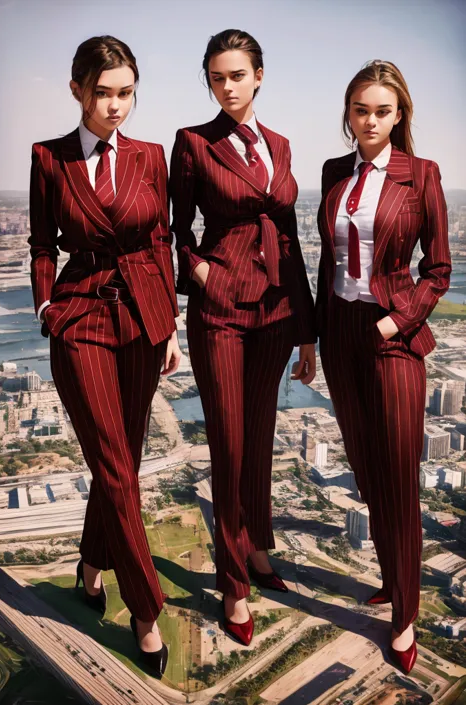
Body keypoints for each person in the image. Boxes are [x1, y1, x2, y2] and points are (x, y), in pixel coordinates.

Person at [28, 35, 181, 677]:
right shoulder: (48, 157)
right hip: (82, 315)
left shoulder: (151, 155)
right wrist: (43, 308)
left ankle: (89, 573)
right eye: (103, 93)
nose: (116, 106)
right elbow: (41, 241)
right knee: (118, 468)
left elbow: (162, 237)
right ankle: (145, 610)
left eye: (126, 94)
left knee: (120, 461)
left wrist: (170, 321)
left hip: (144, 319)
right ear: (77, 91)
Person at [170, 29, 316, 646]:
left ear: (259, 75)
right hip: (221, 313)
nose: (226, 87)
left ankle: (257, 550)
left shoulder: (280, 145)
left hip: (277, 313)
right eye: (215, 77)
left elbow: (289, 236)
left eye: (236, 75)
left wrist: (307, 332)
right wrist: (204, 275)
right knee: (229, 445)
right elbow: (174, 232)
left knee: (261, 440)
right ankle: (233, 586)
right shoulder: (193, 143)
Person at [316, 59, 451, 674]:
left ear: (400, 116)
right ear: (348, 113)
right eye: (360, 110)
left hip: (393, 335)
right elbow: (326, 263)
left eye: (381, 111)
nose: (369, 121)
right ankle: (394, 580)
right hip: (340, 334)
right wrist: (312, 340)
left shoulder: (421, 175)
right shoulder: (332, 173)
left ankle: (404, 616)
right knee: (368, 473)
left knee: (399, 481)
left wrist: (399, 320)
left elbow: (439, 270)